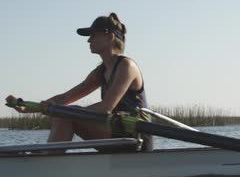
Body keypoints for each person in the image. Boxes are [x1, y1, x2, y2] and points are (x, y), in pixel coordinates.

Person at [6, 13, 152, 152]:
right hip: (118, 133)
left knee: (66, 115)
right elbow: (64, 98)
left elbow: (106, 107)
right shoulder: (100, 72)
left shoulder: (127, 66)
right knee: (65, 113)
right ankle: (48, 160)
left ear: (110, 37)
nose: (89, 40)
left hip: (137, 140)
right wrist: (30, 108)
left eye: (93, 35)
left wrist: (68, 112)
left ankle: (47, 165)